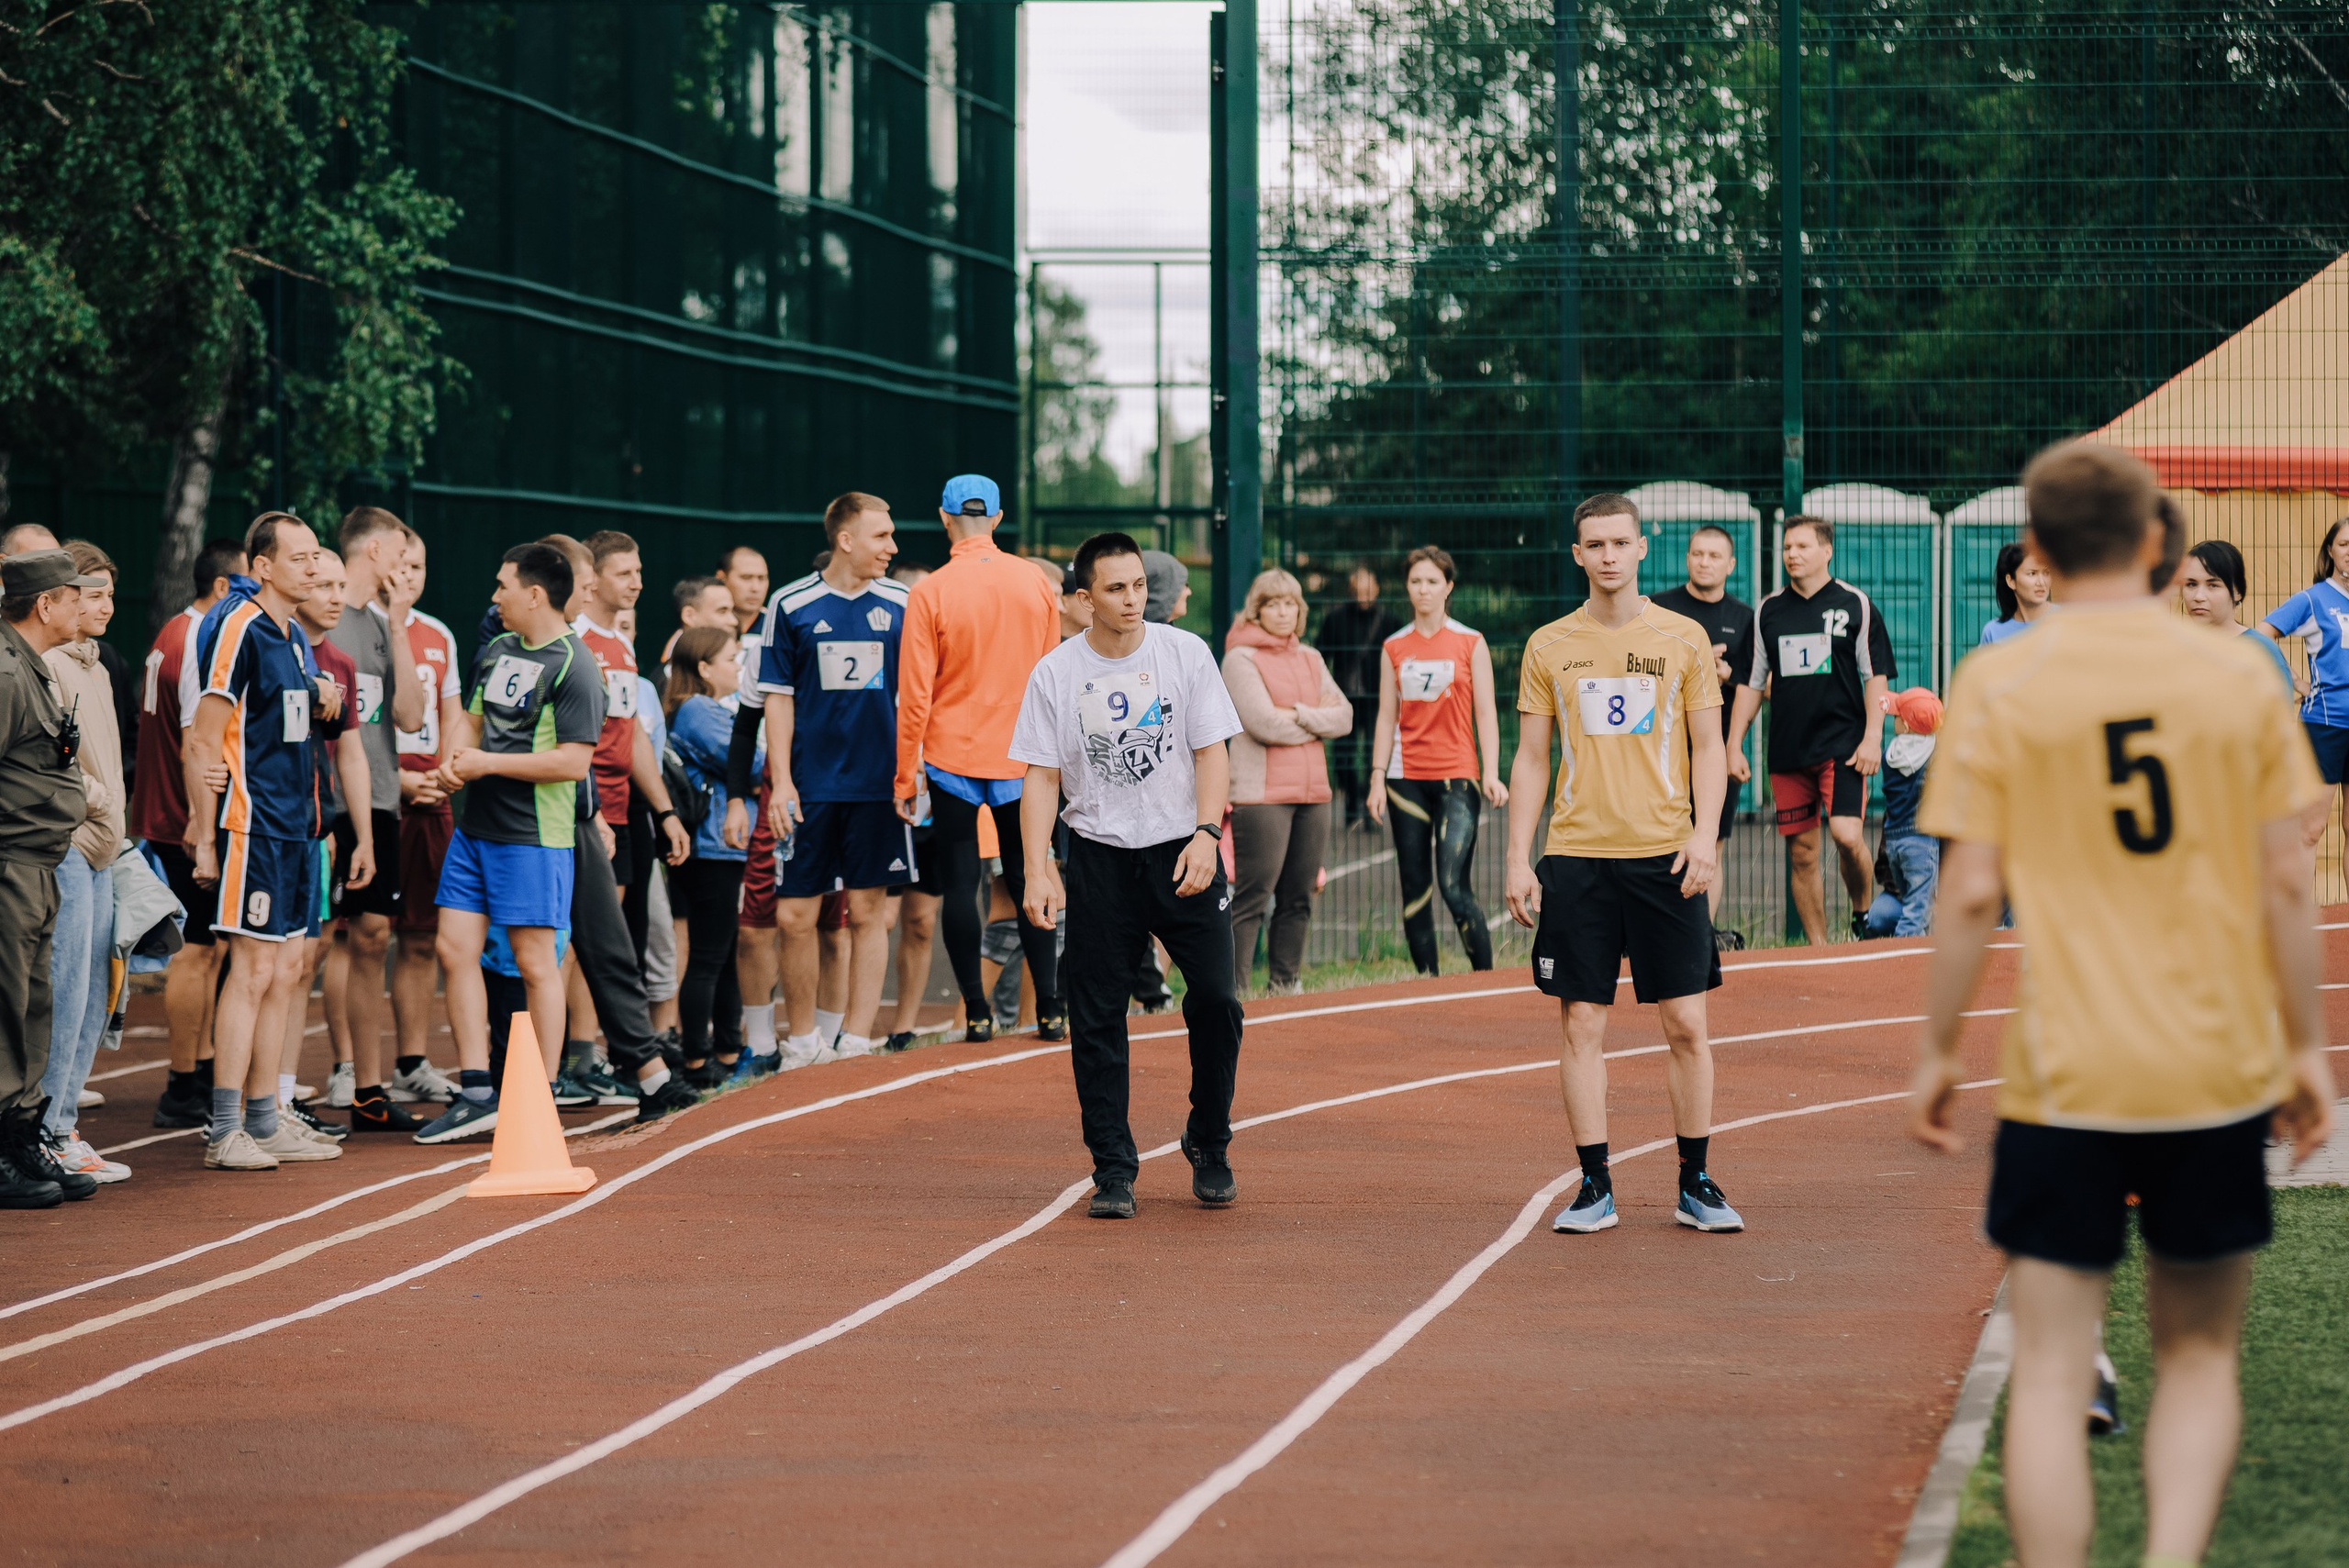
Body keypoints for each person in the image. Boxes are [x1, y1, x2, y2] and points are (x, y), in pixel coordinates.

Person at [1909, 439, 2335, 1568]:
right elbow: (2288, 874)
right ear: (2159, 547)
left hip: (2066, 1072)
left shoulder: (2003, 676)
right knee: (2197, 1356)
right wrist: (2308, 1052)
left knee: (2051, 1368)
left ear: (2038, 552)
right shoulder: (2237, 671)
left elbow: (1965, 893)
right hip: (2214, 1062)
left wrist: (1937, 1051)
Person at [1501, 494, 1739, 1236]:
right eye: (1593, 544)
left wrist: (1705, 836)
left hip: (1665, 856)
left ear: (1643, 548)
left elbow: (1708, 746)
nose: (1607, 555)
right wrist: (1518, 857)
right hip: (1577, 859)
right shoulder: (1548, 645)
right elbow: (1533, 757)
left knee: (1687, 1024)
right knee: (1581, 1025)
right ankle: (1594, 1185)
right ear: (1577, 554)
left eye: (1619, 543)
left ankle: (1695, 1181)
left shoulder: (1684, 638)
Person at [1011, 531, 1245, 1219]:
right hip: (1098, 859)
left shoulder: (1185, 653)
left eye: (1139, 584)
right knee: (1096, 1015)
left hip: (1182, 850)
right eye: (1116, 589)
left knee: (1217, 1000)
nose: (1134, 599)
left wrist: (1207, 833)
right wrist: (1037, 868)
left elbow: (1212, 752)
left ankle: (1208, 1137)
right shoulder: (1056, 672)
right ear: (1084, 599)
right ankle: (1113, 1165)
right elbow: (1041, 776)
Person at [413, 543, 603, 1145]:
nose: (494, 597)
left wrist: (484, 765)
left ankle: (539, 1097)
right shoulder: (496, 649)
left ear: (535, 594)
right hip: (476, 831)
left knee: (535, 963)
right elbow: (469, 718)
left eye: (502, 586)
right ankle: (476, 1091)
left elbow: (573, 762)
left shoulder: (576, 664)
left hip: (533, 838)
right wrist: (450, 764)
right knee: (453, 948)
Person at [183, 515, 346, 1171]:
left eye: (316, 557)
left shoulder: (296, 639)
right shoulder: (239, 626)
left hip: (299, 828)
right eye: (301, 559)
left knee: (285, 971)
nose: (312, 569)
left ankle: (264, 1116)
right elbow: (203, 733)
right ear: (264, 565)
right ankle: (224, 1129)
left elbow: (290, 719)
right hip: (253, 825)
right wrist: (203, 835)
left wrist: (321, 695)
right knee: (250, 970)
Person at [728, 494, 910, 1062]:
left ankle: (855, 1040)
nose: (893, 547)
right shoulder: (791, 603)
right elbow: (774, 701)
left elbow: (917, 697)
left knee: (868, 914)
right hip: (810, 789)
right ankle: (802, 1042)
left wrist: (913, 770)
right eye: (881, 536)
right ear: (846, 539)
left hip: (879, 789)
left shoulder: (904, 603)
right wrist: (781, 781)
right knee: (794, 915)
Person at [894, 474, 1064, 1040]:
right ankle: (1052, 1008)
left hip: (952, 757)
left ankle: (976, 1011)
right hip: (1022, 759)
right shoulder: (1036, 584)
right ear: (996, 518)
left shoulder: (930, 591)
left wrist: (904, 775)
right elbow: (1051, 678)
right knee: (1027, 875)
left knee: (962, 881)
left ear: (944, 518)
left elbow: (915, 694)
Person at [1727, 516, 1893, 945]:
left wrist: (1874, 736)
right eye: (1786, 548)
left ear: (1826, 551)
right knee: (1802, 854)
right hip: (1788, 752)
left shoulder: (1854, 604)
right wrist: (1734, 744)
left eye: (1802, 547)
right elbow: (1750, 681)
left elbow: (1875, 675)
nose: (1792, 555)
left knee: (1846, 834)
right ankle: (1819, 951)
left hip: (1843, 746)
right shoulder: (1769, 610)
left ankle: (1861, 915)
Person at [132, 537, 246, 1130]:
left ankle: (200, 1068)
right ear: (224, 587)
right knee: (197, 952)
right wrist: (200, 828)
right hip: (187, 817)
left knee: (209, 949)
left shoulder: (171, 632)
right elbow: (193, 744)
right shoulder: (203, 639)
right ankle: (183, 1081)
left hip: (172, 813)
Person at [319, 508, 427, 1127]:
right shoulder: (323, 617)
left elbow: (409, 719)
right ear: (379, 549)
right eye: (402, 556)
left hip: (379, 798)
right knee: (308, 947)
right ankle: (280, 1090)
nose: (405, 570)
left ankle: (368, 1091)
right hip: (323, 801)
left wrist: (400, 624)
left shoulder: (383, 625)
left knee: (374, 935)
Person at [0, 549, 100, 1207]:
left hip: (39, 861)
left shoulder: (31, 667)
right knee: (8, 1008)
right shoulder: (8, 674)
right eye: (74, 595)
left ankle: (21, 1136)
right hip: (11, 861)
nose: (84, 606)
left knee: (33, 1005)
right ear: (46, 604)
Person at [30, 543, 130, 1186]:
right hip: (69, 842)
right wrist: (95, 803)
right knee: (64, 988)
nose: (105, 605)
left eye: (111, 594)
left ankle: (62, 1123)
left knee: (97, 986)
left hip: (103, 846)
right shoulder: (46, 664)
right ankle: (43, 1127)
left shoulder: (97, 665)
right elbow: (54, 763)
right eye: (91, 593)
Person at [1367, 545, 1506, 974]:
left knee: (1452, 885)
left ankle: (1485, 980)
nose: (1423, 590)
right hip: (1404, 779)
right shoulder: (1393, 646)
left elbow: (1486, 712)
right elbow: (1386, 715)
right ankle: (1428, 985)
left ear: (1448, 587)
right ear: (1407, 588)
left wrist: (1493, 774)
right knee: (1416, 890)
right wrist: (1375, 779)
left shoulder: (1470, 642)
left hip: (1457, 777)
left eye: (1432, 582)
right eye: (1415, 582)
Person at [1221, 568, 1351, 995]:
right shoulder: (1240, 658)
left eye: (1290, 603)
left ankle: (1285, 983)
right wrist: (1315, 719)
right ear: (1256, 611)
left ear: (1301, 610)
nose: (1282, 612)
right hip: (1261, 796)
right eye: (1272, 604)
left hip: (1314, 794)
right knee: (1253, 898)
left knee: (1298, 897)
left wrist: (1294, 714)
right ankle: (1235, 991)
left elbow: (1345, 717)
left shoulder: (1311, 657)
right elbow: (1262, 724)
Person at [574, 530, 691, 967]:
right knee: (573, 940)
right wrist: (593, 811)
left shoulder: (621, 645)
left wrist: (666, 812)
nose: (636, 582)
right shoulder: (574, 639)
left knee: (608, 941)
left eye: (638, 571)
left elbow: (633, 736)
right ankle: (556, 1039)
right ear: (593, 577)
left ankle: (586, 1040)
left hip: (623, 812)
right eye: (623, 573)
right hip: (583, 811)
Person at [384, 531, 463, 1108]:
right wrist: (397, 780)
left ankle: (411, 1061)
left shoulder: (438, 634)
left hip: (433, 798)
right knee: (354, 938)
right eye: (402, 564)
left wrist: (446, 770)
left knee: (420, 935)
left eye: (421, 565)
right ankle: (347, 1066)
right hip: (376, 797)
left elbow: (454, 714)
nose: (411, 574)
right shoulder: (353, 624)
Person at [666, 627, 759, 1081]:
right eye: (731, 659)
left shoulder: (703, 708)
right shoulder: (698, 709)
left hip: (716, 847)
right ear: (703, 668)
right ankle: (698, 1060)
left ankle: (724, 1053)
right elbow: (749, 761)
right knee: (709, 955)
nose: (739, 667)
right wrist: (768, 756)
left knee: (719, 954)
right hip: (710, 848)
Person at [1650, 526, 1755, 921]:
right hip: (1659, 747)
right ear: (1687, 558)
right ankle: (1651, 933)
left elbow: (1758, 686)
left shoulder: (1745, 618)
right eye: (1697, 554)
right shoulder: (1657, 610)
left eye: (1714, 556)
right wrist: (1691, 664)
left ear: (1730, 564)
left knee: (1710, 842)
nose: (1704, 562)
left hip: (1715, 749)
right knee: (1656, 843)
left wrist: (1724, 675)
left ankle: (1701, 937)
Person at [2260, 515, 2349, 846]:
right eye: (2344, 544)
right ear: (2330, 551)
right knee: (2310, 830)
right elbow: (2263, 635)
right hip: (2324, 724)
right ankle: (2301, 900)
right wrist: (2294, 680)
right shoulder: (2313, 599)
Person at [1314, 563, 1396, 828]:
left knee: (1375, 754)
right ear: (1351, 591)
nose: (1363, 594)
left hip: (1376, 699)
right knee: (1343, 757)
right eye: (1358, 589)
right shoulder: (1335, 619)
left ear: (1377, 590)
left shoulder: (1389, 622)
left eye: (1368, 589)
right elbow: (1320, 656)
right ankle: (1353, 796)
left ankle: (1370, 807)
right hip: (1344, 699)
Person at [1859, 688, 1942, 940]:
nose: (1892, 720)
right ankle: (1905, 952)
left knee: (1912, 901)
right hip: (1921, 842)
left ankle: (1916, 939)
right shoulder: (1933, 754)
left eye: (1896, 716)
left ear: (1905, 726)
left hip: (1895, 840)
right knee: (1917, 909)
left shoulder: (1890, 756)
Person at [2177, 539, 2293, 693]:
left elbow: (2279, 711)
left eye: (2213, 585)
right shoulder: (2176, 646)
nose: (2199, 596)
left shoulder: (2261, 650)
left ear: (2238, 592)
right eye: (2191, 584)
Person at [1979, 541, 2052, 645]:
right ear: (2011, 581)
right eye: (2032, 574)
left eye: (2046, 573)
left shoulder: (2067, 619)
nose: (2041, 582)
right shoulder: (1993, 632)